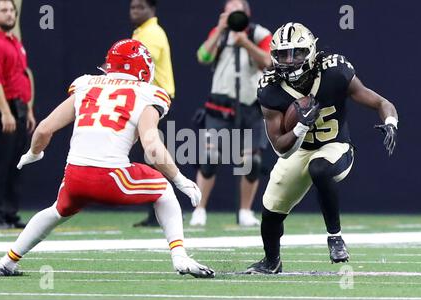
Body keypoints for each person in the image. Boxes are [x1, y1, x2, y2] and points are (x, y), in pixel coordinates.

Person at [0, 39, 215, 279]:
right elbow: (152, 145)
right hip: (111, 176)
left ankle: (6, 262)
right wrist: (180, 179)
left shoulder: (86, 84)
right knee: (164, 190)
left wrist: (34, 153)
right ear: (142, 68)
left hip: (74, 174)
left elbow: (44, 129)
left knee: (57, 211)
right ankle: (180, 257)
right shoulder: (148, 93)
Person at [245, 23, 398, 274]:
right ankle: (271, 261)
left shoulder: (334, 71)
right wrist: (301, 127)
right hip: (298, 149)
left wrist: (390, 122)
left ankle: (335, 236)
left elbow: (381, 102)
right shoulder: (270, 87)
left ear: (312, 51)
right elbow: (280, 148)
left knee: (320, 169)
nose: (290, 60)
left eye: (297, 52)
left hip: (334, 145)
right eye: (283, 54)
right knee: (271, 210)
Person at [190, 0, 272, 227]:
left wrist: (245, 43)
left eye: (237, 11)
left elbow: (268, 62)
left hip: (250, 105)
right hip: (220, 105)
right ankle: (200, 209)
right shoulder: (219, 33)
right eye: (229, 11)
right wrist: (220, 31)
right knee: (209, 157)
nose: (233, 14)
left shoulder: (259, 33)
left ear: (247, 14)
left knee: (251, 161)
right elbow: (203, 57)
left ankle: (245, 211)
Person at [0, 0, 36, 230]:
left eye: (12, 10)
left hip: (19, 109)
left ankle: (9, 214)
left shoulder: (14, 42)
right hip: (1, 110)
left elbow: (22, 76)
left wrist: (28, 109)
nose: (9, 14)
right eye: (4, 10)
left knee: (15, 165)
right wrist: (5, 112)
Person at [130, 0, 175, 227]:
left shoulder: (152, 34)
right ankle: (155, 213)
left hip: (157, 103)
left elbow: (140, 68)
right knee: (149, 159)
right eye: (132, 7)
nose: (135, 11)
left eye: (140, 7)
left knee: (154, 157)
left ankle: (163, 211)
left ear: (152, 9)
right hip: (149, 101)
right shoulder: (142, 32)